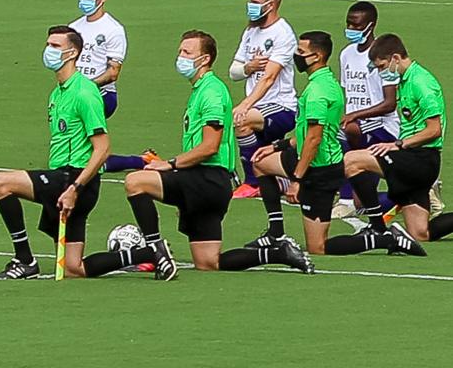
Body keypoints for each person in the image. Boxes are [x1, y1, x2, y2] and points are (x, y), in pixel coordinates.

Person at [83, 31, 312, 281]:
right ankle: (278, 253)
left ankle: (154, 249)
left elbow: (210, 147)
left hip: (207, 179)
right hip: (209, 181)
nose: (180, 57)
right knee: (208, 261)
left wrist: (169, 165)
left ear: (204, 59)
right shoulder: (201, 90)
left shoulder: (211, 92)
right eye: (180, 51)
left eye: (186, 52)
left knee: (136, 182)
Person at [0, 26, 109, 279]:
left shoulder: (85, 92)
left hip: (74, 180)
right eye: (48, 45)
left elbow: (103, 148)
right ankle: (147, 254)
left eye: (55, 46)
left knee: (0, 183)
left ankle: (25, 259)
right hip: (64, 179)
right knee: (73, 268)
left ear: (72, 52)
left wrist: (74, 188)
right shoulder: (57, 93)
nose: (48, 50)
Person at [322, 34, 443, 255]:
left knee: (351, 160)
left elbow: (434, 129)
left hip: (420, 159)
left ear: (396, 57)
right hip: (416, 158)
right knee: (420, 232)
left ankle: (377, 227)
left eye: (382, 66)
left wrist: (398, 144)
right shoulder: (406, 79)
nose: (380, 72)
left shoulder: (420, 83)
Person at [246, 32, 348, 256]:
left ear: (318, 56)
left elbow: (314, 139)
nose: (296, 56)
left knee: (317, 247)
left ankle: (381, 239)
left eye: (301, 52)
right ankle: (275, 233)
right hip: (308, 158)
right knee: (261, 162)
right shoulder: (325, 82)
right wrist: (277, 146)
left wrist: (296, 180)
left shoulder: (317, 93)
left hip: (319, 169)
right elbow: (305, 134)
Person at [69, 0, 157, 172]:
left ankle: (141, 162)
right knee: (79, 151)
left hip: (101, 96)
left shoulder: (113, 30)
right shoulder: (73, 28)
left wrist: (87, 86)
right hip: (76, 94)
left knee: (85, 157)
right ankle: (144, 160)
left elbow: (113, 72)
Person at [331, 2, 401, 219]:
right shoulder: (346, 54)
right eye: (348, 23)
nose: (351, 28)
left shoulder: (383, 55)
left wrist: (355, 116)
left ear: (371, 25)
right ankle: (410, 195)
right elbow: (348, 93)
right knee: (363, 202)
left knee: (341, 132)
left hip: (382, 125)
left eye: (356, 24)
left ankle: (344, 200)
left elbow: (390, 103)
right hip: (356, 123)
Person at [229, 0, 297, 198]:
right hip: (259, 105)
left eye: (255, 2)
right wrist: (248, 67)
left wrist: (245, 104)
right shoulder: (250, 31)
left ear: (271, 5)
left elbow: (269, 77)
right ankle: (282, 181)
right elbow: (234, 71)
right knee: (262, 151)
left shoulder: (283, 34)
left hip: (280, 106)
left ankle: (253, 182)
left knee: (241, 120)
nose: (250, 6)